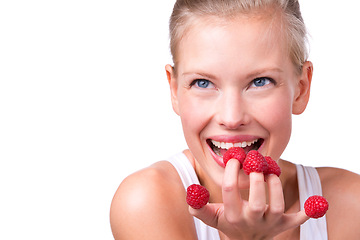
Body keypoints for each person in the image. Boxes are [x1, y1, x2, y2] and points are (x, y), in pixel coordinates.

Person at [110, 0, 360, 239]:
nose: (231, 118)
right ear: (175, 91)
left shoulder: (351, 204)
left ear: (301, 89)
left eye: (260, 82)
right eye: (203, 83)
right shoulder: (146, 202)